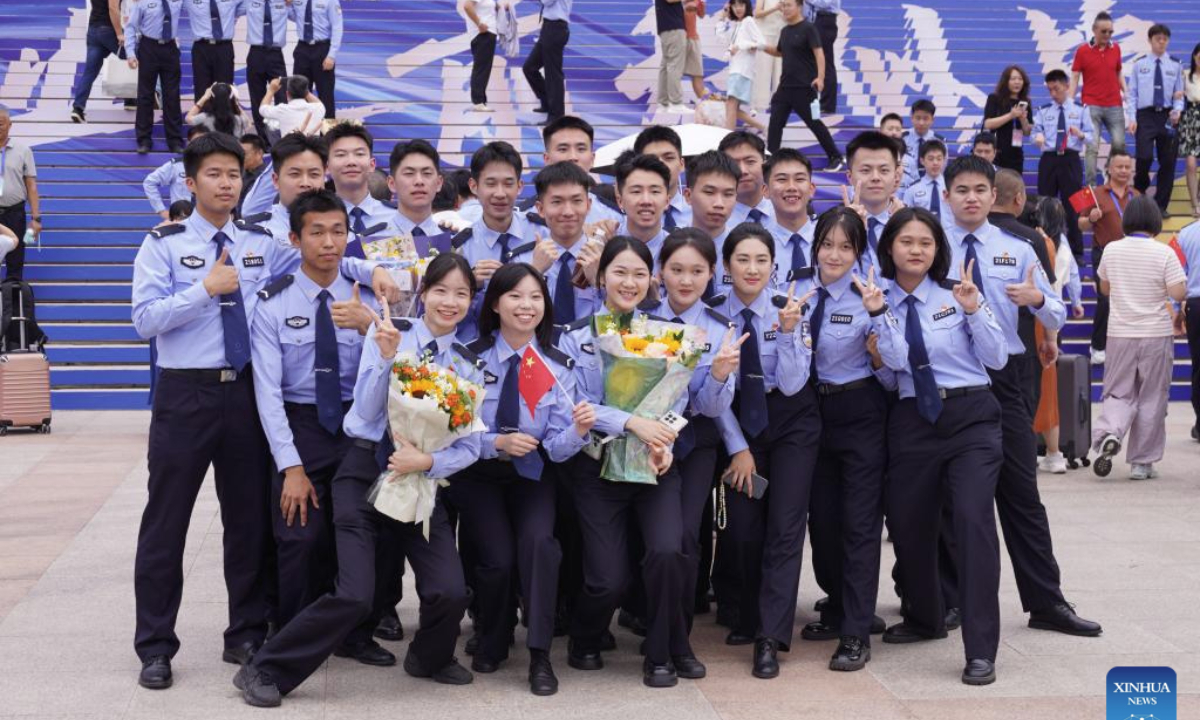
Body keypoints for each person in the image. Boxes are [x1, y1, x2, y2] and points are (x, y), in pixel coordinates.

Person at [234, 254, 483, 707]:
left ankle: (427, 658)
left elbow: (470, 447)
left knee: (449, 590)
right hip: (364, 469)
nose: (450, 302)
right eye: (441, 291)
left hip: (419, 483)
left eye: (461, 293)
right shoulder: (389, 334)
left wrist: (426, 461)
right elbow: (365, 413)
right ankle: (267, 667)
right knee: (354, 595)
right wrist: (387, 358)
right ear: (422, 294)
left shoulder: (468, 365)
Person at [128, 133, 278, 691]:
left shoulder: (261, 240)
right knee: (167, 521)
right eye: (213, 174)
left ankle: (244, 632)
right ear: (190, 183)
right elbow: (144, 320)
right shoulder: (163, 242)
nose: (226, 183)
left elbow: (321, 258)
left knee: (247, 521)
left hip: (243, 393)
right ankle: (156, 646)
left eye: (234, 174)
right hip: (185, 395)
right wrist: (204, 290)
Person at [940, 155, 1101, 639]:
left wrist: (1037, 301)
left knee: (1021, 494)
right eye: (961, 189)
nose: (971, 197)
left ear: (995, 196)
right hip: (949, 378)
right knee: (949, 499)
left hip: (1005, 380)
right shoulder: (927, 244)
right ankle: (947, 600)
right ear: (946, 196)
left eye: (979, 190)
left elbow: (1055, 311)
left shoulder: (1020, 245)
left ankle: (1047, 600)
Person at [557, 237, 722, 688]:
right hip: (597, 467)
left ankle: (664, 651)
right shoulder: (575, 336)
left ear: (651, 280)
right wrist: (631, 422)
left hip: (654, 464)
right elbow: (580, 405)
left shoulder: (667, 334)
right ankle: (586, 636)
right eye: (619, 273)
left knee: (670, 551)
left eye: (637, 274)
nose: (628, 283)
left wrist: (665, 436)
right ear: (601, 277)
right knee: (607, 579)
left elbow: (682, 399)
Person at [249, 189, 393, 664]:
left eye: (338, 231)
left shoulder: (369, 298)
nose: (329, 242)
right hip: (303, 424)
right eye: (316, 232)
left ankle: (357, 633)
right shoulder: (272, 303)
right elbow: (268, 393)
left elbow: (399, 356)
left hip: (361, 423)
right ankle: (292, 635)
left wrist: (367, 326)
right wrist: (290, 466)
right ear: (295, 238)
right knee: (300, 534)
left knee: (366, 531)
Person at [874, 207, 1007, 686]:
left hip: (970, 418)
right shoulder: (877, 298)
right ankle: (926, 616)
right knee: (908, 524)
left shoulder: (959, 294)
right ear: (890, 247)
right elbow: (891, 368)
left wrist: (974, 309)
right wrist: (875, 317)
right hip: (914, 419)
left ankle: (980, 649)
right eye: (906, 241)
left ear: (937, 251)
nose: (916, 250)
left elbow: (995, 358)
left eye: (925, 243)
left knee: (972, 524)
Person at [453, 263, 592, 695]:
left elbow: (554, 445)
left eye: (535, 297)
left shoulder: (554, 365)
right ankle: (493, 637)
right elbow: (454, 429)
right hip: (480, 472)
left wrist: (578, 432)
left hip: (533, 474)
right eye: (515, 296)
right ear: (495, 303)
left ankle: (539, 654)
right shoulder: (468, 357)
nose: (526, 305)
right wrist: (496, 442)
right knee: (496, 558)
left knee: (539, 546)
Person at [707, 222, 818, 679]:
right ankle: (748, 615)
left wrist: (789, 333)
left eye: (761, 260)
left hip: (792, 423)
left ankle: (769, 637)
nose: (752, 269)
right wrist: (738, 448)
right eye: (742, 259)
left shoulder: (787, 310)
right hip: (734, 422)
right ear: (726, 266)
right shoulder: (711, 316)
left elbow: (793, 384)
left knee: (785, 528)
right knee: (744, 530)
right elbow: (710, 395)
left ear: (774, 266)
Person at [796, 208, 904, 672]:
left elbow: (898, 362)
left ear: (859, 253)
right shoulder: (800, 294)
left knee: (860, 526)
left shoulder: (870, 298)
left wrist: (879, 312)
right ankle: (838, 605)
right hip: (811, 413)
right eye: (827, 244)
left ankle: (857, 632)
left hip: (860, 412)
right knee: (821, 522)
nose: (834, 254)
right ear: (815, 245)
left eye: (846, 246)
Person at [645, 228, 742, 637]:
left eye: (697, 271)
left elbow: (712, 408)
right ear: (661, 271)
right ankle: (647, 618)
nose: (686, 280)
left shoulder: (723, 329)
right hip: (644, 439)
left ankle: (675, 633)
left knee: (685, 535)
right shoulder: (642, 322)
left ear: (712, 274)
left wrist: (718, 375)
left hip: (696, 441)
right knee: (657, 539)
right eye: (677, 269)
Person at [1090, 196, 1187, 480]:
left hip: (1119, 332)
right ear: (1156, 222)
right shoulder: (1164, 253)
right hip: (1155, 333)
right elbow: (1178, 292)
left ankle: (1111, 432)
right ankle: (1142, 463)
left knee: (1119, 391)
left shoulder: (1111, 250)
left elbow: (1105, 289)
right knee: (1152, 396)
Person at [1031, 197, 1084, 474]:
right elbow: (1073, 276)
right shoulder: (1062, 245)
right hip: (1053, 316)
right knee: (1047, 387)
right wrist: (1076, 301)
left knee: (1040, 387)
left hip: (1040, 316)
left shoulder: (1041, 245)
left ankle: (1051, 451)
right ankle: (1052, 452)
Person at [761, 0, 843, 167]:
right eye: (782, 6)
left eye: (788, 5)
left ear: (799, 7)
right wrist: (759, 46)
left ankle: (836, 157)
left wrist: (820, 78)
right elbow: (779, 52)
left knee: (814, 123)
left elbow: (819, 54)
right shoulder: (784, 31)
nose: (784, 9)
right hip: (784, 88)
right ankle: (771, 160)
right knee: (775, 123)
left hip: (804, 88)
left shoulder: (809, 28)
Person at [1078, 150, 1139, 365]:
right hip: (1104, 254)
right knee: (1105, 300)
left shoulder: (1138, 196)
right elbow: (1079, 224)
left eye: (1127, 167)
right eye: (1119, 167)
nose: (1123, 171)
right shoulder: (1091, 192)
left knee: (1130, 301)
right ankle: (1098, 346)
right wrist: (1090, 219)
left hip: (1132, 256)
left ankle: (1125, 346)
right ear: (1109, 169)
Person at [1033, 69, 1092, 258]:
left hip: (1070, 159)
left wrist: (1081, 134)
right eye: (1049, 90)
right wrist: (1038, 137)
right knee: (1044, 205)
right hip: (1049, 159)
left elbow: (1091, 137)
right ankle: (1047, 249)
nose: (1053, 93)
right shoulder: (1043, 111)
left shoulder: (1080, 109)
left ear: (1067, 86)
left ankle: (1077, 251)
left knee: (1074, 205)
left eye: (1056, 89)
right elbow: (1035, 132)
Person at [1126, 23, 1185, 215]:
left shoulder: (1175, 65)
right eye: (1157, 38)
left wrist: (1177, 111)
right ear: (1150, 40)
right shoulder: (1139, 64)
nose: (1161, 42)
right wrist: (1131, 118)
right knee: (1144, 157)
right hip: (1146, 115)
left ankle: (1161, 206)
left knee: (1168, 162)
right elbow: (1132, 94)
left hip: (1167, 116)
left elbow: (1179, 94)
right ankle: (1140, 194)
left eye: (1164, 39)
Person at [524, 116, 623, 223]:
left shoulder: (615, 219)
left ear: (592, 159)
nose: (573, 157)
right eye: (563, 149)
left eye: (581, 149)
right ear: (546, 159)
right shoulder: (522, 218)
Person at [1069, 11, 1127, 186]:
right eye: (1104, 31)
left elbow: (1118, 71)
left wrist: (1127, 91)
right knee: (1092, 147)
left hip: (1114, 104)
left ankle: (1110, 177)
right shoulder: (1082, 51)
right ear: (1094, 29)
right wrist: (1070, 103)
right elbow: (1075, 77)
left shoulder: (1116, 48)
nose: (1107, 35)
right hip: (1091, 104)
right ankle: (1092, 185)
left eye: (1110, 32)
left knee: (1119, 144)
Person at [124, 0, 184, 154]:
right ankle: (144, 139)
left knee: (172, 95)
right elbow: (131, 26)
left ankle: (175, 140)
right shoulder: (142, 2)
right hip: (149, 46)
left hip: (170, 47)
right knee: (145, 95)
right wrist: (130, 53)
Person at [841, 130, 905, 269]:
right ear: (850, 177)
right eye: (865, 170)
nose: (875, 177)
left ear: (896, 176)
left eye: (884, 170)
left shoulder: (912, 224)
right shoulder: (832, 225)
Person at [684, 150, 740, 296]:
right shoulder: (669, 248)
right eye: (709, 192)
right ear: (688, 196)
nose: (719, 204)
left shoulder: (744, 251)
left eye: (728, 194)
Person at [325, 123, 393, 238]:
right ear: (327, 167)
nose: (351, 162)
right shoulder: (316, 219)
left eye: (359, 154)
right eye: (341, 155)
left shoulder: (397, 218)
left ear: (372, 165)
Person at [0, 106, 40, 281]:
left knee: (15, 262)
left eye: (0, 123)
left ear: (10, 124)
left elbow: (31, 186)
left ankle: (13, 304)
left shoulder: (23, 150)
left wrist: (36, 219)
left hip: (15, 214)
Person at [716, 0, 768, 133]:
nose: (738, 8)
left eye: (741, 5)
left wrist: (743, 46)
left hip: (742, 71)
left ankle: (727, 138)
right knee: (731, 106)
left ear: (747, 6)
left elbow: (762, 43)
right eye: (734, 5)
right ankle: (763, 128)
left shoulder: (748, 21)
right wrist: (722, 17)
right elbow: (722, 38)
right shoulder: (738, 24)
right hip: (736, 70)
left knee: (731, 104)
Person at [245, 0, 291, 139]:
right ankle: (263, 140)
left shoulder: (285, 2)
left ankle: (282, 137)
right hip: (255, 53)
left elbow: (301, 12)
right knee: (257, 98)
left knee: (282, 97)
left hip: (275, 54)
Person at [289, 0, 342, 120]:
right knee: (299, 94)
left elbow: (337, 26)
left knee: (325, 94)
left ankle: (328, 136)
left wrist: (331, 55)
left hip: (322, 49)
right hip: (302, 48)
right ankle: (302, 135)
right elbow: (295, 16)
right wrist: (287, 5)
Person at [71, 0, 122, 124]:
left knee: (89, 73)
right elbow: (113, 8)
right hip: (109, 30)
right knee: (137, 58)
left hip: (94, 30)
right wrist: (119, 33)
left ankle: (78, 108)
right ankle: (150, 94)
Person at [634, 125, 692, 229]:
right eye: (652, 159)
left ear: (682, 164)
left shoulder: (698, 215)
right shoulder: (627, 217)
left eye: (669, 158)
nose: (661, 165)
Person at [523, 0, 572, 123]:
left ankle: (556, 114)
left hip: (555, 27)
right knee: (530, 67)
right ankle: (547, 101)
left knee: (553, 73)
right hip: (549, 27)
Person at [982, 65, 1033, 174]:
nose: (1017, 82)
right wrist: (1011, 115)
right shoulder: (995, 98)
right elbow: (988, 124)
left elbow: (1027, 132)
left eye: (1020, 79)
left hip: (1016, 154)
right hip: (996, 153)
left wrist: (1023, 119)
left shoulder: (1025, 101)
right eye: (1013, 79)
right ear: (1006, 81)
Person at [183, 0, 237, 102]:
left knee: (224, 88)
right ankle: (202, 117)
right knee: (201, 87)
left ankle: (224, 117)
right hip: (201, 47)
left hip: (223, 47)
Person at [721, 131, 775, 226]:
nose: (743, 171)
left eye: (750, 162)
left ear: (765, 164)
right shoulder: (715, 220)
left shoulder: (784, 212)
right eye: (734, 164)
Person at [1178, 218, 1200, 440]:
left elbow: (1177, 273)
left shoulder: (1184, 235)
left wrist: (1177, 308)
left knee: (1199, 365)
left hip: (1196, 304)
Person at [464, 0, 503, 112]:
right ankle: (478, 101)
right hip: (482, 34)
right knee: (481, 68)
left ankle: (481, 100)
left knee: (484, 68)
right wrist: (479, 23)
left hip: (488, 33)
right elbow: (467, 6)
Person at [260, 75, 327, 137]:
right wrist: (302, 88)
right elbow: (319, 103)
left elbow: (262, 109)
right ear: (306, 92)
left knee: (270, 125)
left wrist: (271, 91)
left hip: (290, 148)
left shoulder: (282, 109)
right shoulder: (318, 108)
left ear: (287, 94)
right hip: (313, 148)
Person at [804, 0, 840, 115]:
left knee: (825, 62)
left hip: (825, 20)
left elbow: (824, 3)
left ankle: (827, 105)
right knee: (811, 62)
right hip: (813, 20)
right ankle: (809, 101)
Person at [900, 99, 943, 191]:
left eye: (925, 118)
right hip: (905, 186)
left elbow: (942, 167)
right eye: (918, 118)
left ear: (932, 120)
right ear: (912, 118)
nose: (921, 123)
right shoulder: (902, 139)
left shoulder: (939, 141)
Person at [655, 0, 690, 114]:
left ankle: (663, 103)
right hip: (673, 27)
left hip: (666, 27)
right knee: (674, 65)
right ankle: (676, 103)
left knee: (666, 66)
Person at [901, 139, 947, 220]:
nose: (935, 163)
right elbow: (906, 218)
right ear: (922, 161)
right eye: (931, 159)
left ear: (944, 160)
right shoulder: (912, 189)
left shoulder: (951, 187)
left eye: (939, 159)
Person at [186, 83, 250, 137]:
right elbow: (248, 123)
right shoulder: (238, 120)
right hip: (233, 151)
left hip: (211, 151)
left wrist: (204, 98)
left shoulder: (205, 117)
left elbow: (188, 119)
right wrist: (235, 102)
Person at [1180, 42, 1200, 218]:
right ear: (1194, 56)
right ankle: (1195, 204)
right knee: (1191, 164)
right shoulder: (1185, 75)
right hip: (1191, 119)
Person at [684, 0, 709, 102]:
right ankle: (669, 104)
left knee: (697, 74)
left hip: (693, 38)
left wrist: (701, 4)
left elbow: (701, 14)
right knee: (673, 73)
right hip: (677, 38)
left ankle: (706, 106)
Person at [239, 133, 268, 209]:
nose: (240, 157)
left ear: (259, 153)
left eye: (244, 154)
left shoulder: (265, 178)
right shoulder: (240, 173)